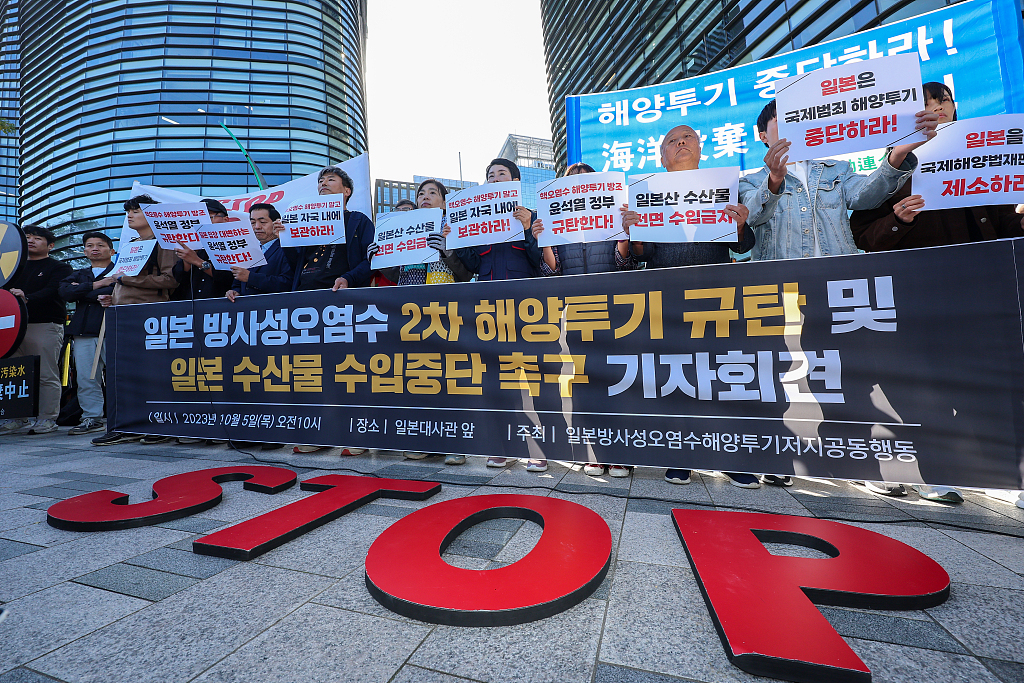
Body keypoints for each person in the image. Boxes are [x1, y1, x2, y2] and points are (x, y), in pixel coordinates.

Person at [740, 99, 939, 488]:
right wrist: (775, 179)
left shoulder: (836, 168)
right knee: (772, 374)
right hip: (779, 292)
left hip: (837, 285)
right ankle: (775, 455)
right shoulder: (751, 178)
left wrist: (897, 154)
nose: (793, 130)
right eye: (783, 123)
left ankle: (859, 461)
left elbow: (865, 197)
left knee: (848, 374)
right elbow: (752, 215)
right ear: (764, 136)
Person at [848, 83, 1023, 504]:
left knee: (991, 384)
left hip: (982, 293)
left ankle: (1002, 470)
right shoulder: (893, 173)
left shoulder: (986, 160)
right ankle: (938, 471)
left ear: (952, 107)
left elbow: (1009, 229)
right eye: (923, 107)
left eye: (939, 102)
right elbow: (863, 235)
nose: (934, 111)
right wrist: (897, 219)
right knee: (925, 387)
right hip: (916, 296)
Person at [622, 125, 758, 489]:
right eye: (671, 141)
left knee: (723, 375)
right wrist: (633, 235)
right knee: (677, 377)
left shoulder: (721, 189)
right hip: (666, 298)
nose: (681, 143)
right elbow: (644, 255)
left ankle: (730, 455)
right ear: (661, 158)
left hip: (716, 297)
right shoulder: (647, 195)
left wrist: (741, 225)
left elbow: (744, 247)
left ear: (700, 149)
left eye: (688, 138)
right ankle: (680, 455)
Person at [531, 161, 636, 478]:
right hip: (578, 312)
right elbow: (552, 272)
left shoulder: (614, 215)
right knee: (585, 384)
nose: (579, 183)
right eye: (571, 180)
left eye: (585, 179)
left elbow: (625, 265)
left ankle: (621, 455)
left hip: (617, 311)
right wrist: (545, 241)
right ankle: (594, 451)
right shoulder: (557, 224)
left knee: (619, 381)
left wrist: (624, 235)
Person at [367, 179, 473, 465]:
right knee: (419, 375)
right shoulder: (404, 229)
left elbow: (466, 274)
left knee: (448, 377)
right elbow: (394, 273)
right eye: (421, 193)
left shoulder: (454, 227)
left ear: (443, 200)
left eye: (432, 193)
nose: (425, 197)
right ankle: (424, 440)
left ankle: (455, 444)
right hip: (409, 312)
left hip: (445, 311)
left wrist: (449, 251)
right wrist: (378, 257)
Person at [455, 158, 543, 469]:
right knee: (496, 378)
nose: (494, 179)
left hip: (524, 309)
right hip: (489, 307)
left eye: (501, 174)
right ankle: (503, 445)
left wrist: (527, 229)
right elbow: (474, 264)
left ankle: (538, 449)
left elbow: (539, 262)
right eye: (490, 175)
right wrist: (456, 239)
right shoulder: (478, 221)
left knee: (530, 377)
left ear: (515, 181)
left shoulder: (530, 216)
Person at [282, 167, 373, 455]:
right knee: (312, 368)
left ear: (347, 191)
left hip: (342, 301)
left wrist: (350, 279)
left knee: (348, 367)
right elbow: (296, 261)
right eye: (321, 181)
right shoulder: (306, 220)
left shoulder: (358, 221)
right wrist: (285, 238)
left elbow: (373, 258)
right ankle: (317, 432)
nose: (323, 184)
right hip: (306, 301)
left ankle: (355, 433)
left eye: (331, 180)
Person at [92, 194, 179, 446]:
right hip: (123, 314)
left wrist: (126, 281)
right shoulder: (131, 243)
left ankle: (159, 424)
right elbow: (122, 279)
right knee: (123, 374)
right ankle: (125, 425)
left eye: (136, 211)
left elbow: (170, 281)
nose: (130, 215)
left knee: (152, 372)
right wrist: (113, 296)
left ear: (152, 214)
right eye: (128, 211)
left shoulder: (164, 243)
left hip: (149, 314)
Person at [0, 226, 73, 435]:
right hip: (11, 328)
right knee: (12, 373)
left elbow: (53, 292)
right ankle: (15, 417)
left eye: (37, 238)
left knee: (45, 373)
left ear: (50, 245)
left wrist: (27, 297)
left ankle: (47, 418)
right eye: (27, 237)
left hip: (44, 324)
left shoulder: (59, 267)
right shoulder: (10, 267)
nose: (31, 241)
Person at [59, 232, 116, 436]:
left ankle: (125, 415)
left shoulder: (121, 271)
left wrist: (82, 291)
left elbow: (117, 291)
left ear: (111, 250)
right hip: (83, 331)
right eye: (90, 245)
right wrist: (98, 285)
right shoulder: (79, 273)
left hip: (113, 330)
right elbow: (65, 292)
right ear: (84, 251)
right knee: (86, 377)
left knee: (120, 375)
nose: (95, 248)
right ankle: (92, 417)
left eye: (100, 245)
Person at [225, 203, 293, 301]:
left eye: (262, 222)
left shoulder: (287, 249)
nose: (257, 227)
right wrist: (234, 292)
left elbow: (287, 283)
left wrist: (251, 278)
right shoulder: (247, 250)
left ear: (276, 223)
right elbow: (238, 283)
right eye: (252, 222)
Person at [171, 198, 235, 301]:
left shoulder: (234, 244)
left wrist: (197, 261)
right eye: (200, 219)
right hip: (190, 307)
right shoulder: (193, 243)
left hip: (222, 307)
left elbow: (230, 278)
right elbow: (179, 278)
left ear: (225, 220)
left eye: (210, 217)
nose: (205, 222)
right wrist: (187, 259)